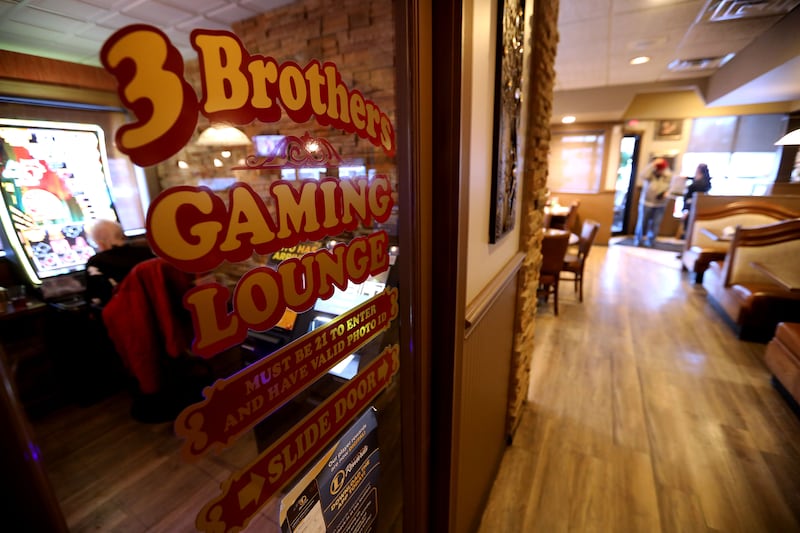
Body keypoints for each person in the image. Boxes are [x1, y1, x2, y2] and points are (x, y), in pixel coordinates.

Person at [85, 219, 154, 306]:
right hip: (157, 306)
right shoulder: (147, 251)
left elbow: (96, 298)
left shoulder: (96, 262)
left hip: (123, 312)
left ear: (99, 242)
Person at [634, 158, 672, 247]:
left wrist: (666, 193)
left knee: (656, 223)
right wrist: (652, 164)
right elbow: (642, 175)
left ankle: (651, 241)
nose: (661, 171)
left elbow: (672, 186)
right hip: (646, 202)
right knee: (642, 222)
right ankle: (639, 240)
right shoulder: (649, 174)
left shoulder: (668, 175)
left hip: (660, 204)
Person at [682, 163, 712, 235]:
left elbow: (688, 196)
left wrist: (685, 209)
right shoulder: (707, 182)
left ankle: (687, 234)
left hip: (692, 206)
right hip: (701, 206)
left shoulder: (697, 184)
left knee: (688, 221)